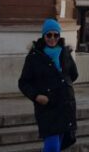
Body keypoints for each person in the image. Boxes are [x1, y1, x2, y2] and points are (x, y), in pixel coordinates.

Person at [18, 19, 79, 152]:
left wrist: (65, 87)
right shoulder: (34, 57)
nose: (52, 38)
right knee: (52, 147)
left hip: (65, 105)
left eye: (55, 35)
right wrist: (36, 96)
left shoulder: (65, 53)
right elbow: (23, 82)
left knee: (59, 145)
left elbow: (73, 74)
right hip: (48, 107)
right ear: (43, 35)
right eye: (49, 35)